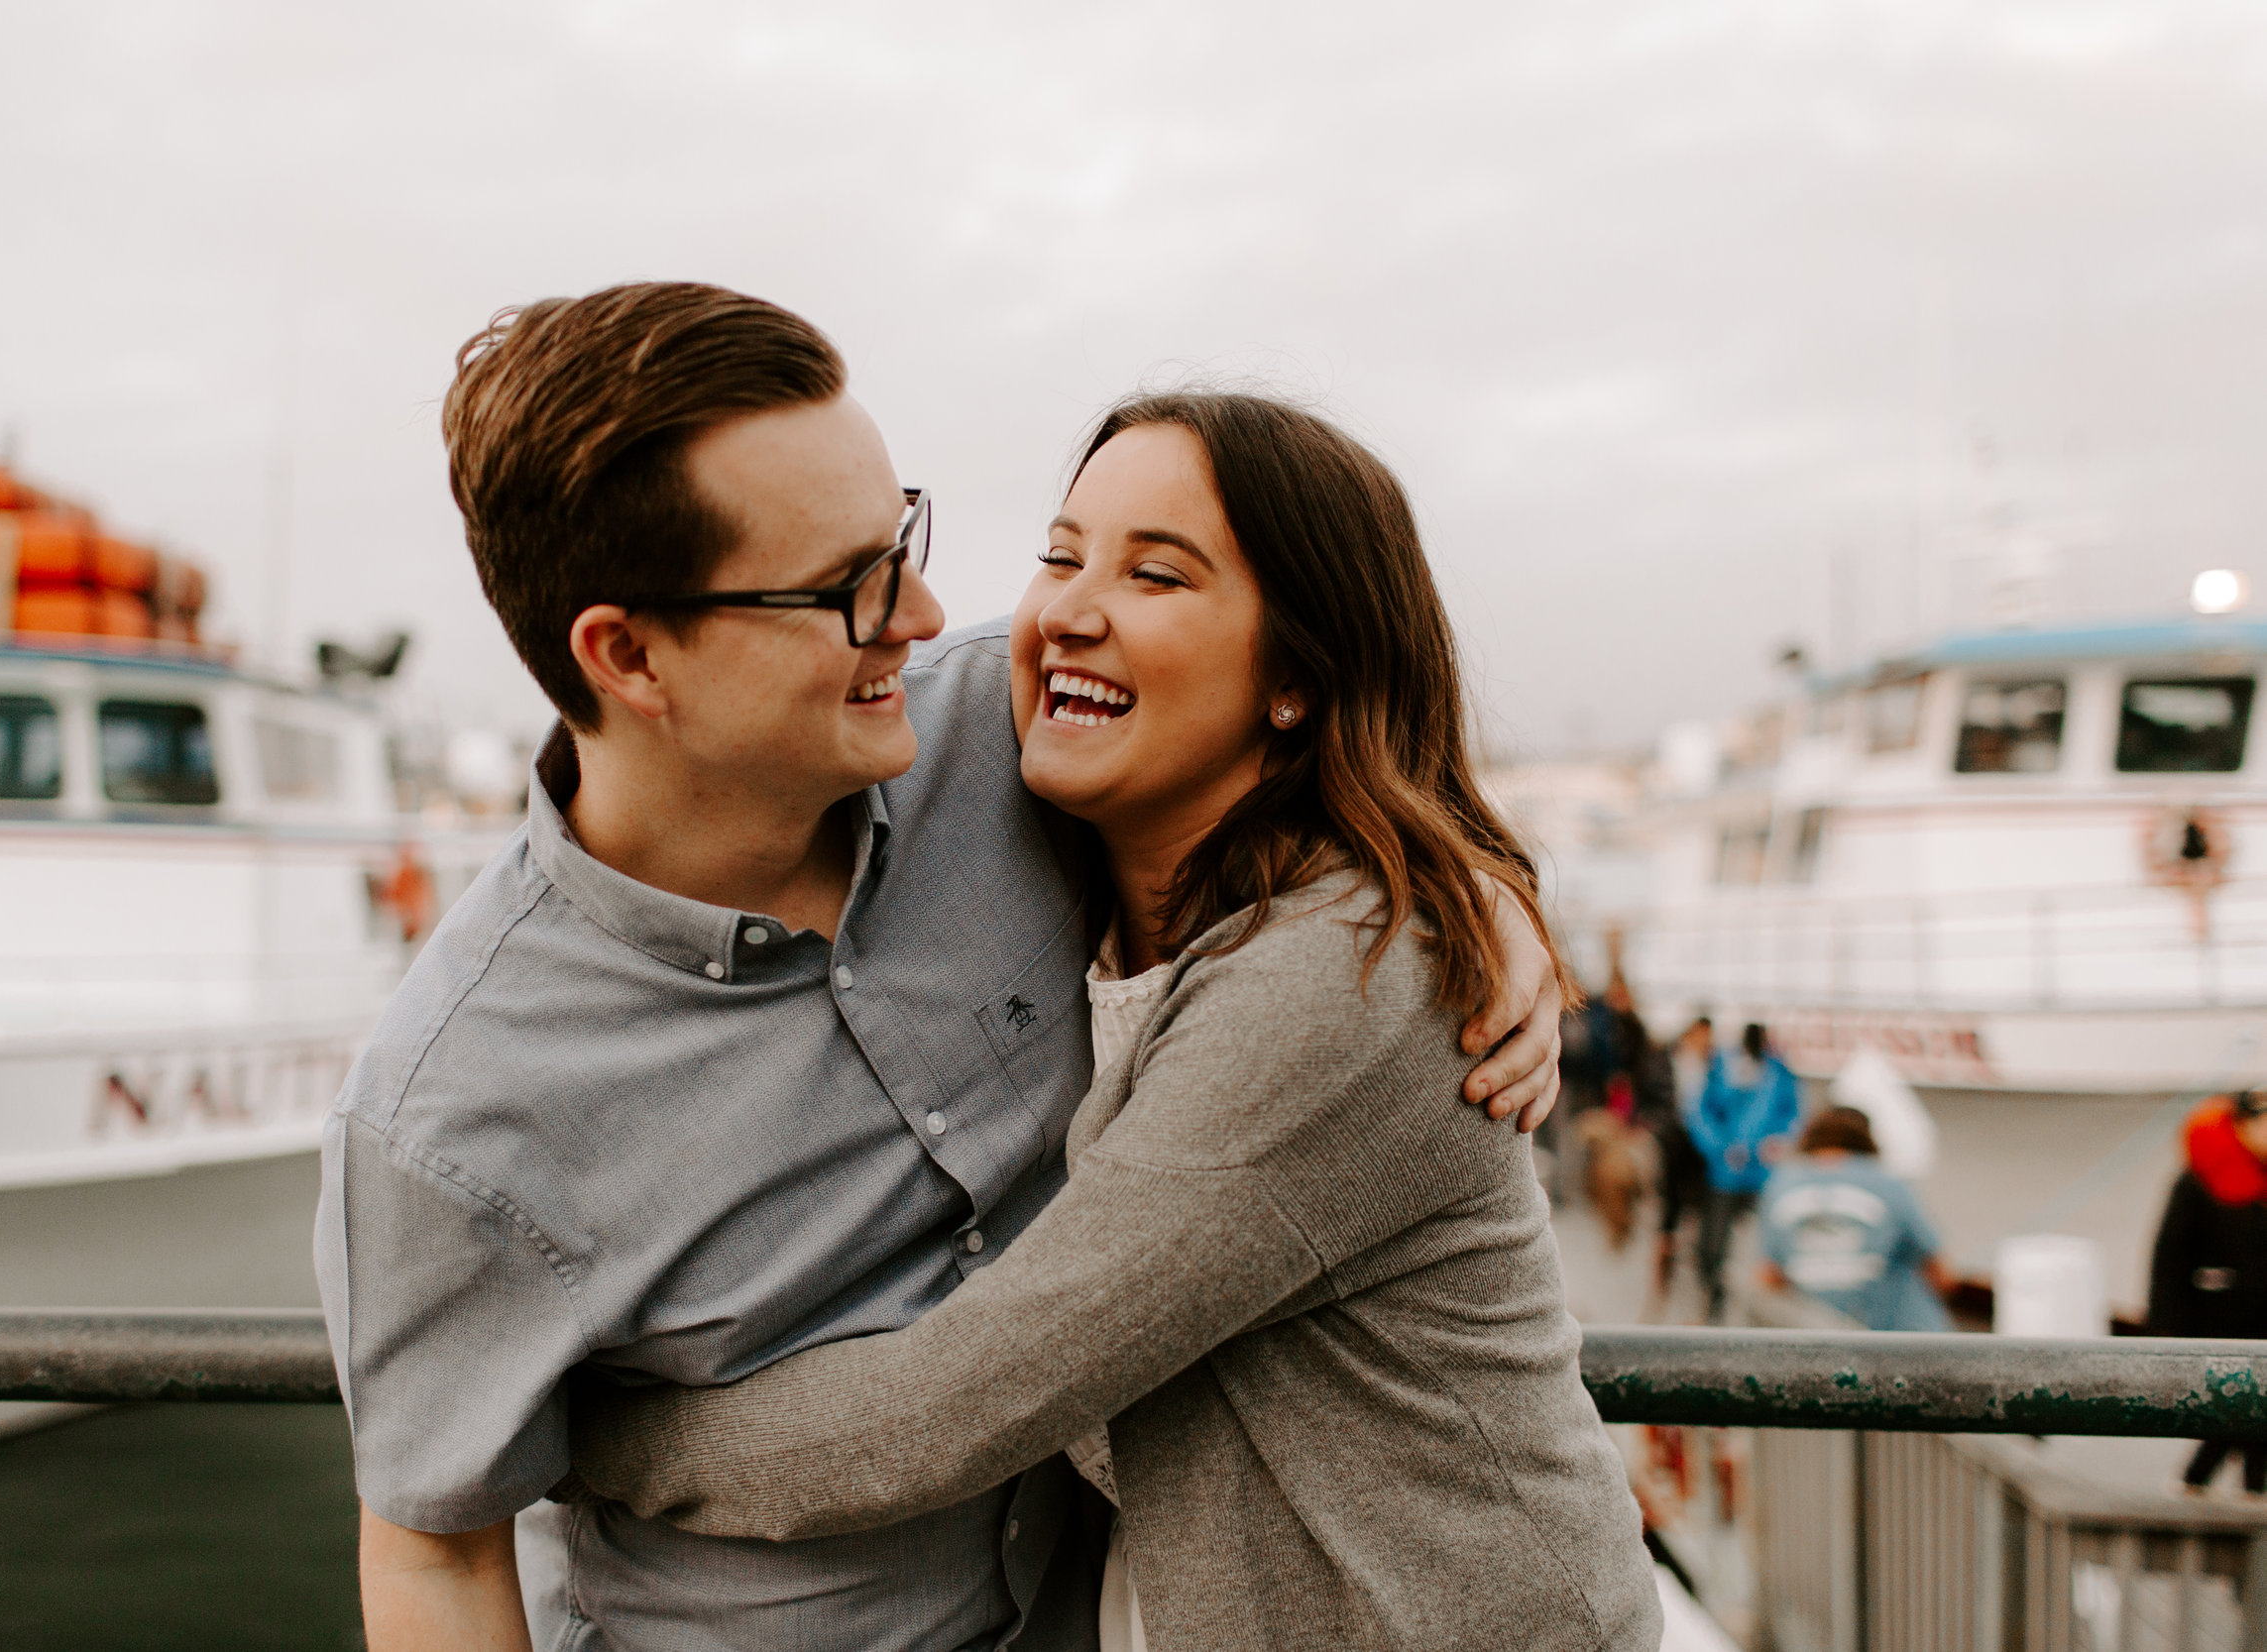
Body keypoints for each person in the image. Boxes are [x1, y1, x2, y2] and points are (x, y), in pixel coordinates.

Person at [314, 286, 1570, 1652]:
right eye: (845, 584)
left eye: (900, 537)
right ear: (627, 655)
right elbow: (437, 1555)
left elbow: (1324, 749)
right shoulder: (448, 1120)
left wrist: (1481, 892)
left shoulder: (1021, 731)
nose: (919, 613)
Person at [567, 391, 1665, 1651]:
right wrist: (1486, 878)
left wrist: (572, 1428)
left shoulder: (1345, 977)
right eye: (1058, 553)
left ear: (1299, 674)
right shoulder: (1096, 883)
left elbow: (952, 1403)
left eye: (1157, 572)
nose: (1070, 608)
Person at [2147, 1089, 2267, 1495]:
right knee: (2239, 1414)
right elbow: (2169, 1258)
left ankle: (2212, 1489)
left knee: (2251, 1418)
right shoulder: (2200, 1179)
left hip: (2260, 1321)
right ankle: (2207, 1487)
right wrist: (2165, 1335)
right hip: (2217, 1322)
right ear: (2242, 1124)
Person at [1756, 1106, 1954, 1331]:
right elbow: (1941, 1272)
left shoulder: (1779, 1185)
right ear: (1867, 1139)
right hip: (1899, 1340)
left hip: (1819, 1342)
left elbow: (1769, 1277)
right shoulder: (1888, 1183)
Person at [1684, 1022, 1800, 1324]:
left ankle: (1762, 1312)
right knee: (1713, 1247)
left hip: (1763, 1178)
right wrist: (1719, 1149)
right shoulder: (1721, 1065)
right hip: (1724, 1175)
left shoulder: (1778, 1071)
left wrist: (1777, 1141)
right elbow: (1700, 1113)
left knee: (1767, 1246)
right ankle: (1713, 1305)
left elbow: (1792, 1113)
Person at [1640, 1016, 1711, 1306]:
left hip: (1697, 1146)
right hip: (1672, 1142)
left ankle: (1686, 1267)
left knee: (1691, 1209)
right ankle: (1662, 1277)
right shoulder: (1665, 1060)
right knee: (1669, 1210)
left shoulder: (1711, 1067)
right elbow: (1652, 1096)